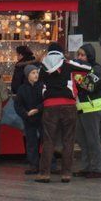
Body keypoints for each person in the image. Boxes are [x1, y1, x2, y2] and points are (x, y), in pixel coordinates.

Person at [35, 43, 90, 183]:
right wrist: (71, 61)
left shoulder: (43, 67)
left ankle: (44, 174)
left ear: (49, 52)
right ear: (61, 52)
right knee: (68, 140)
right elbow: (88, 68)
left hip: (49, 106)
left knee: (48, 140)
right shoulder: (68, 64)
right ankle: (66, 174)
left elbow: (38, 83)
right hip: (68, 106)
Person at [75, 43, 101, 179]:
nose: (79, 57)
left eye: (83, 55)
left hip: (92, 108)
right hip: (81, 108)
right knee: (82, 140)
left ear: (89, 56)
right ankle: (86, 167)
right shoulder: (79, 68)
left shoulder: (97, 70)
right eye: (78, 54)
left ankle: (97, 169)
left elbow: (91, 86)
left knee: (93, 139)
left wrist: (77, 78)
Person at [13, 63, 44, 174]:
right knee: (31, 142)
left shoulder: (42, 87)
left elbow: (46, 101)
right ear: (27, 75)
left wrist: (38, 109)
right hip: (29, 119)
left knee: (46, 141)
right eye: (33, 73)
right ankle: (33, 165)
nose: (36, 75)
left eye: (37, 72)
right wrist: (25, 114)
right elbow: (18, 105)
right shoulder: (22, 89)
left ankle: (50, 164)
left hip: (41, 118)